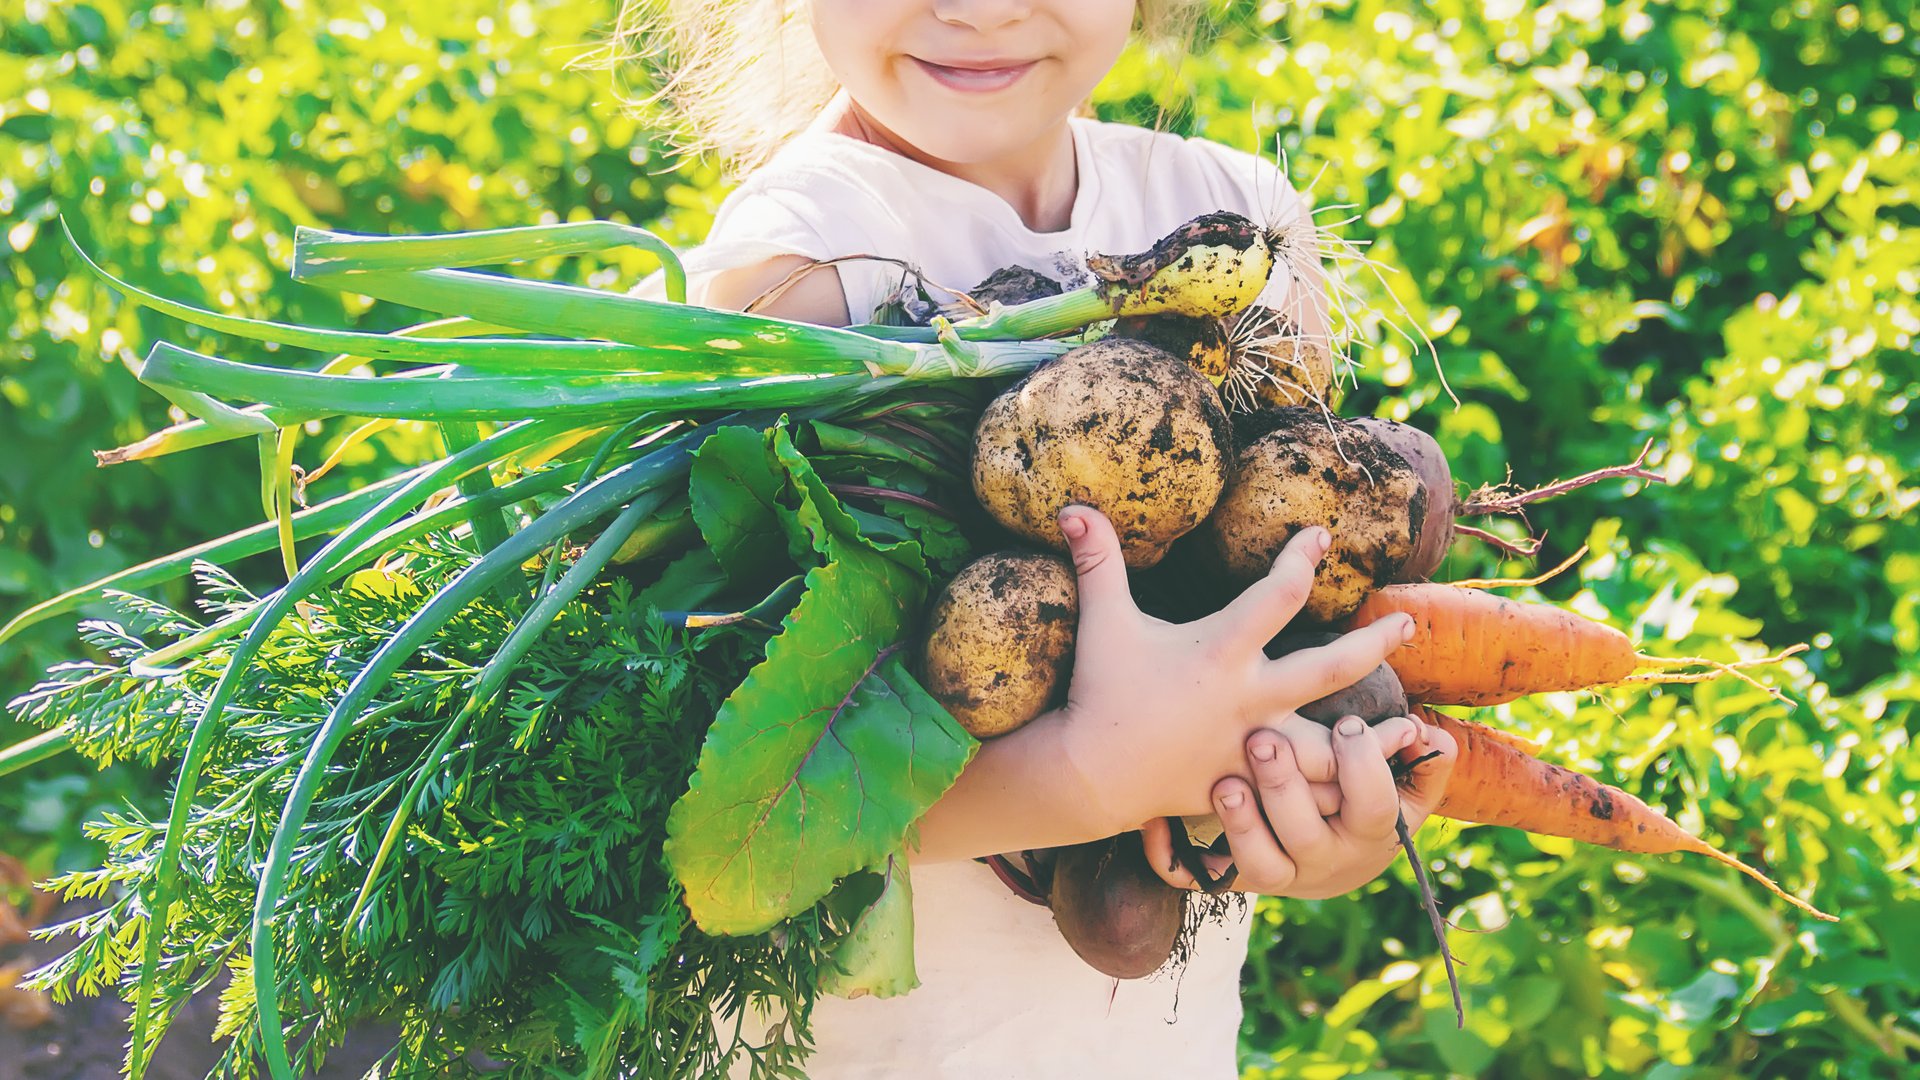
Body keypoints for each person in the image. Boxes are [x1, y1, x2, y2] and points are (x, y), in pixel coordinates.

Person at [618, 2, 1459, 1075]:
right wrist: (1087, 780)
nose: (978, 9)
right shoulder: (791, 281)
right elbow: (728, 807)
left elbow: (1293, 593)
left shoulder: (1239, 221)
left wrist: (1313, 813)